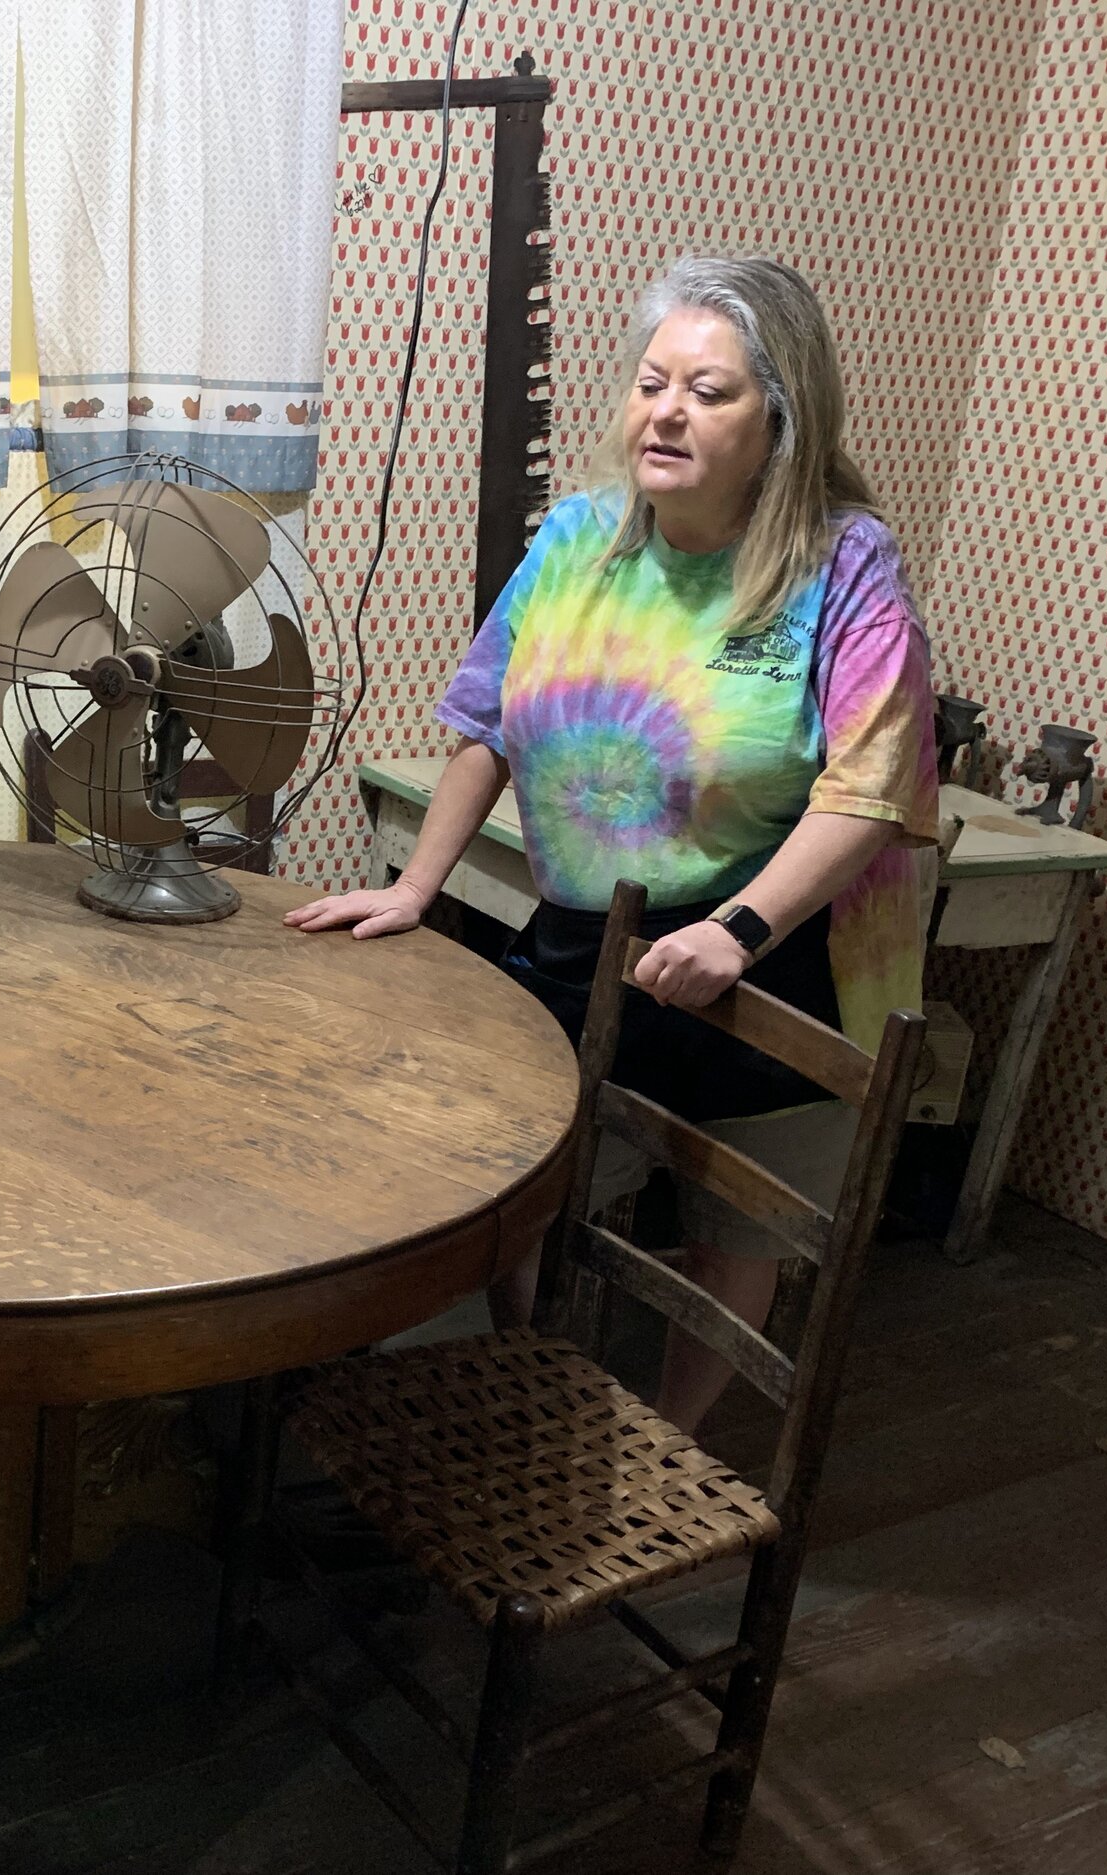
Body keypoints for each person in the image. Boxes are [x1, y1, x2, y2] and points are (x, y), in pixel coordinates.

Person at [288, 254, 937, 1433]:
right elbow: (485, 723)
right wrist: (416, 888)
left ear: (781, 423)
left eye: (710, 390)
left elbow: (869, 786)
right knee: (535, 1192)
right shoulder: (580, 539)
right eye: (652, 383)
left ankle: (667, 1441)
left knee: (736, 1220)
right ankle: (559, 1412)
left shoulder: (842, 566)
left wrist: (738, 930)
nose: (667, 410)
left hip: (772, 951)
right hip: (581, 937)